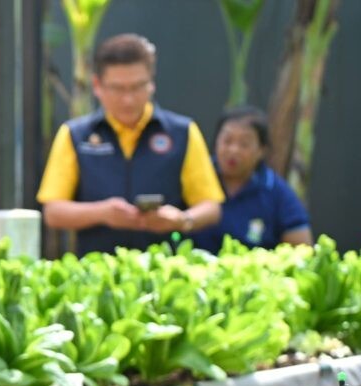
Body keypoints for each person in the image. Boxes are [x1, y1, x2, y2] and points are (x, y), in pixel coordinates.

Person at [36, 33, 223, 256]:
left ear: (151, 83)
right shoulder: (75, 135)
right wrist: (102, 213)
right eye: (118, 88)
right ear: (97, 85)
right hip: (96, 273)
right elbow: (53, 211)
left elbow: (211, 207)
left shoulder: (182, 132)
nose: (128, 99)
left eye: (137, 87)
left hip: (166, 272)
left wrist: (182, 220)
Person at [191, 106, 312, 253]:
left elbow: (303, 250)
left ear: (261, 150)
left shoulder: (276, 190)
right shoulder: (195, 176)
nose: (233, 150)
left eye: (244, 144)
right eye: (227, 141)